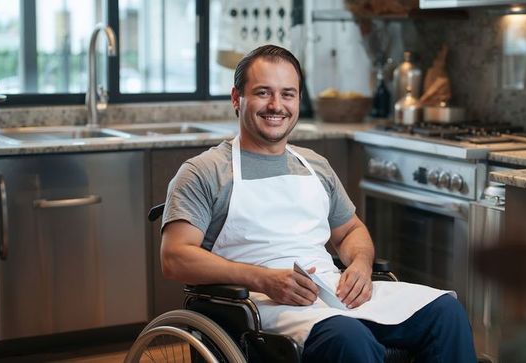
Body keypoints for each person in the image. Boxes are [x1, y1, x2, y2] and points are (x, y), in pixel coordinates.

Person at [160, 44, 477, 363]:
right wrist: (262, 278)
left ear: (298, 100)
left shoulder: (315, 165)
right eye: (263, 93)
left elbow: (351, 230)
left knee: (445, 312)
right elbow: (175, 257)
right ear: (236, 98)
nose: (276, 105)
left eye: (287, 94)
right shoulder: (204, 171)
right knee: (349, 338)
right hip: (258, 305)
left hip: (332, 291)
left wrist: (360, 266)